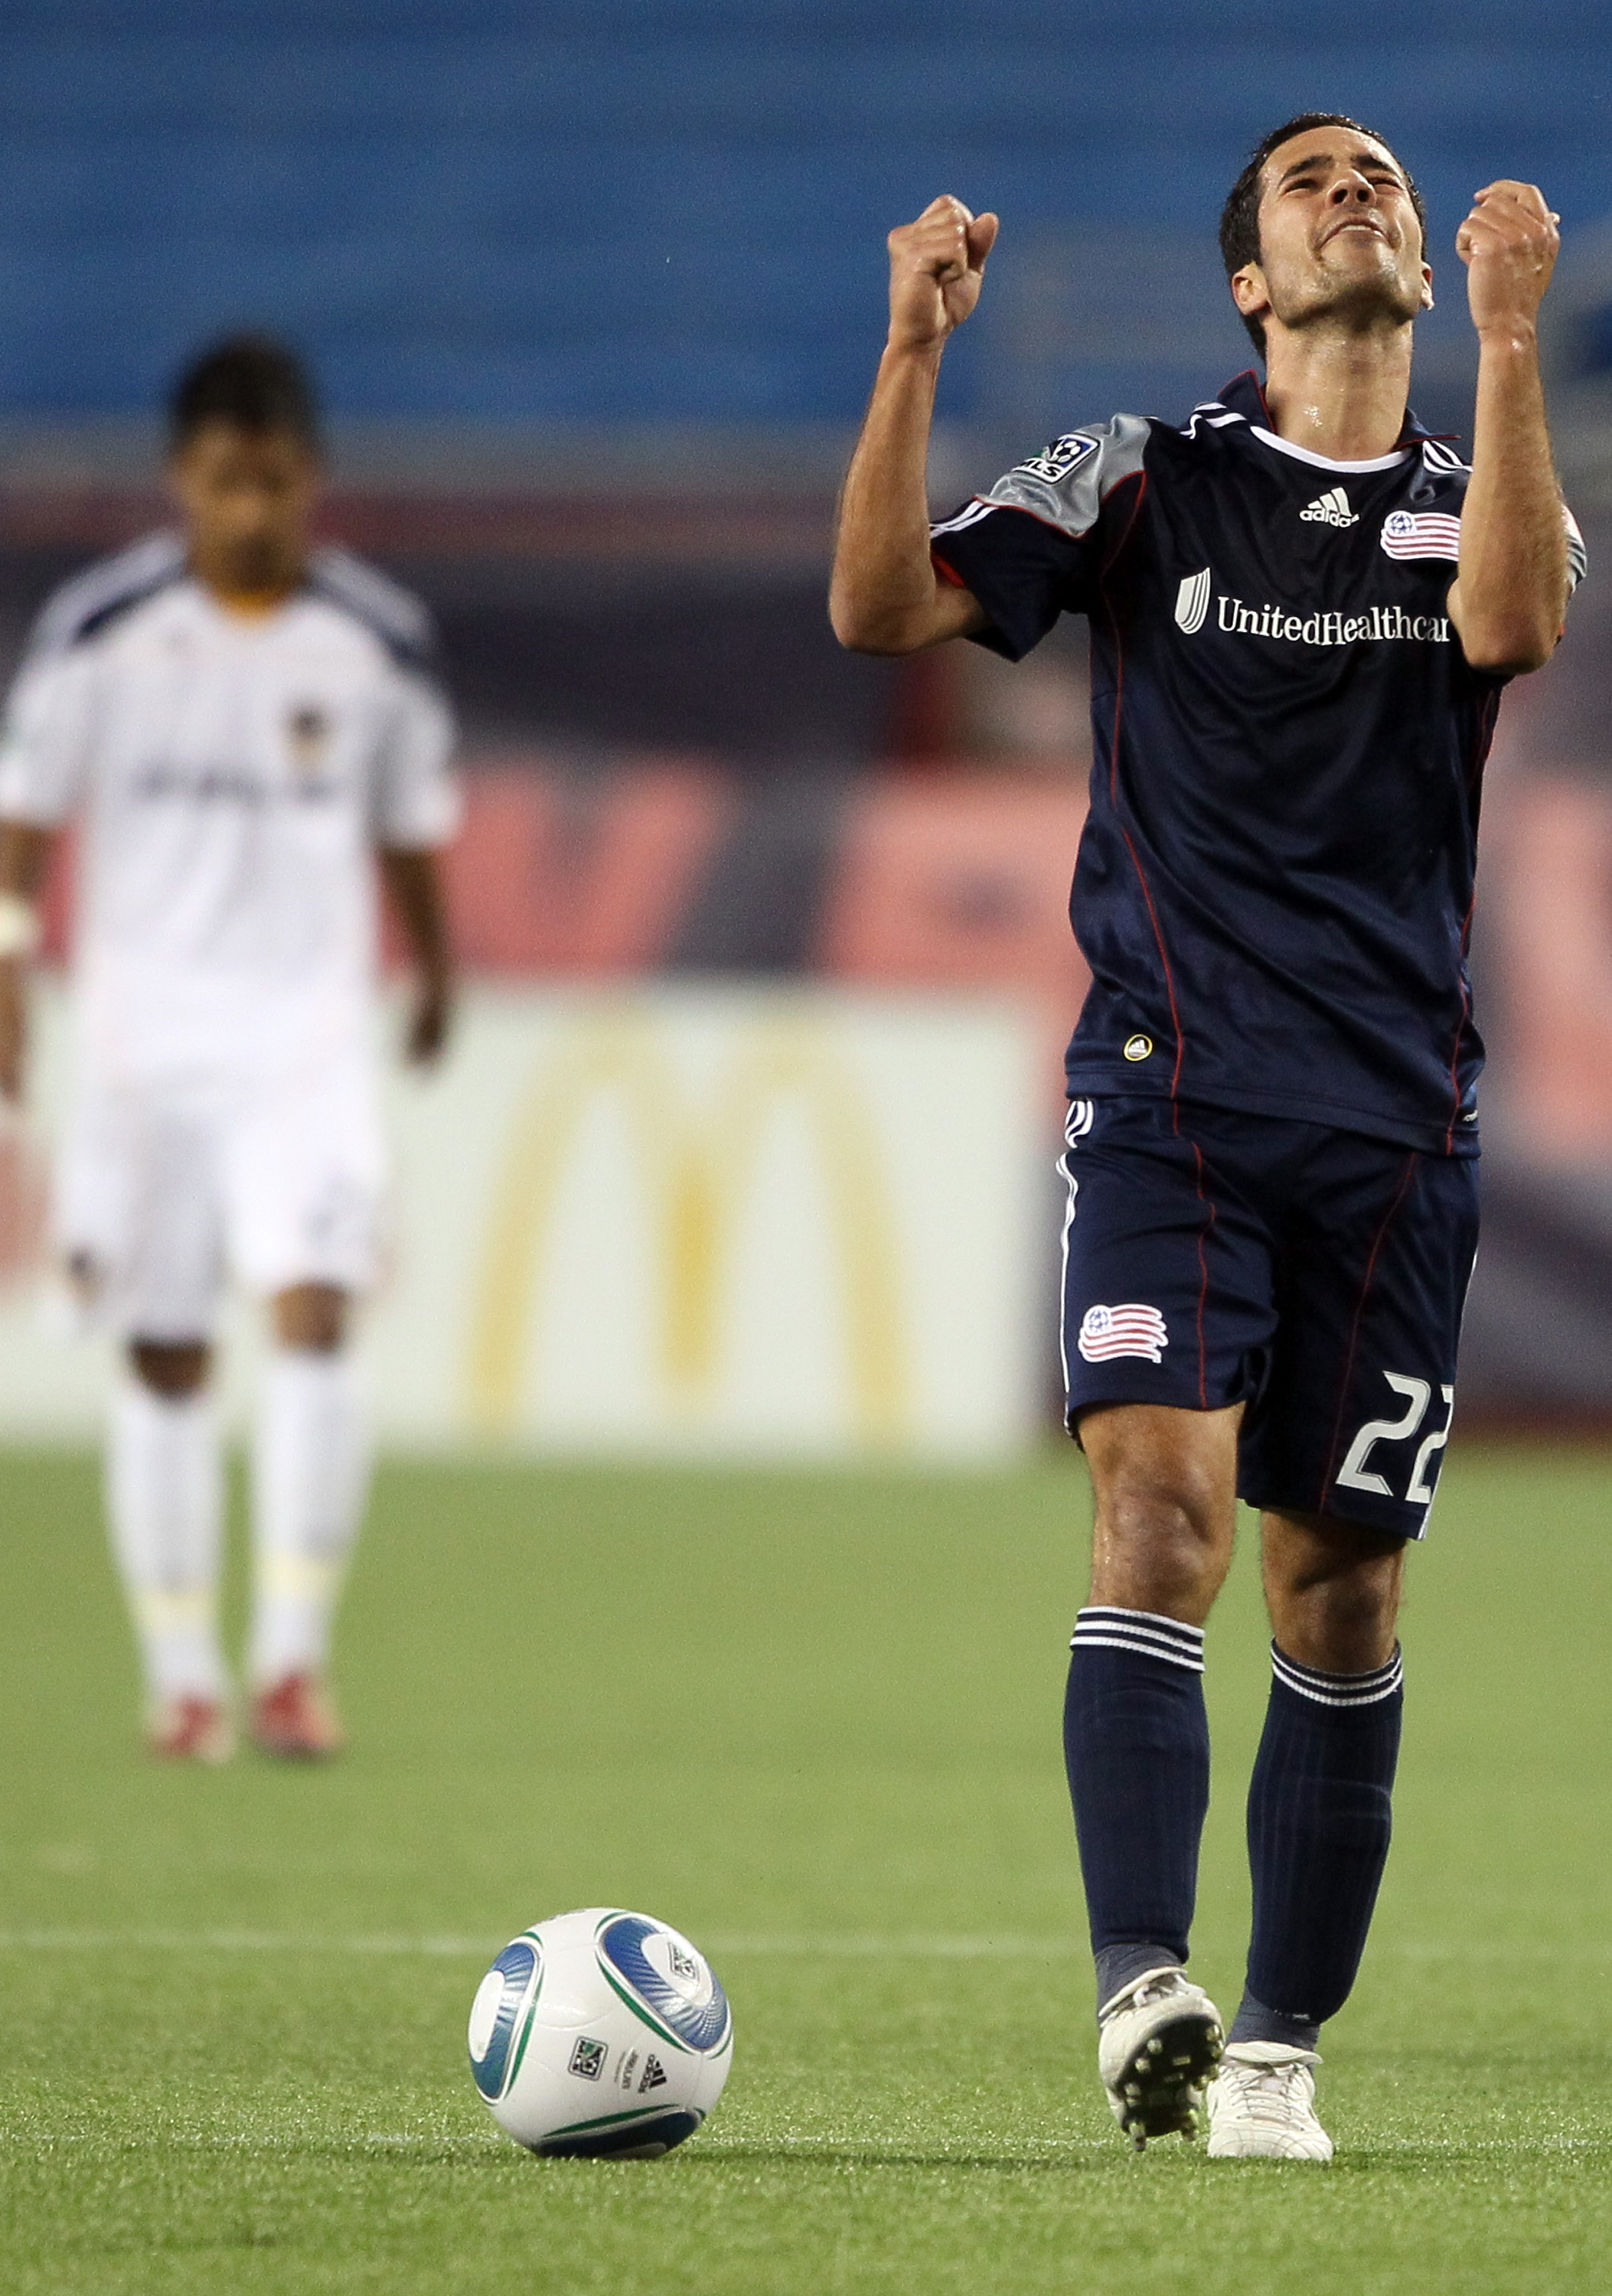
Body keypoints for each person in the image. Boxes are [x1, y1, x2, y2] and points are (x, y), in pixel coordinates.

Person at [830, 115, 1581, 2158]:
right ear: (1245, 279)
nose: (1356, 189)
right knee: (1150, 1520)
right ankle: (1136, 1983)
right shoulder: (1140, 476)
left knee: (1333, 1595)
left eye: (1380, 179)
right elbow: (881, 608)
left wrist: (1511, 355)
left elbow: (1512, 628)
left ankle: (1270, 2050)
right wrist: (908, 352)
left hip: (1392, 1128)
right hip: (1163, 1091)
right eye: (1305, 180)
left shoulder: (1473, 487)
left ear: (1421, 267)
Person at [0, 334, 458, 1763]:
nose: (249, 508)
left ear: (312, 480)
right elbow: (22, 810)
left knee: (314, 1306)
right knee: (166, 1347)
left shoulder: (374, 640)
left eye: (275, 481)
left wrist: (433, 965)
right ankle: (183, 1674)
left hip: (303, 1036)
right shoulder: (99, 628)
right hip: (143, 1044)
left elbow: (409, 827)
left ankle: (293, 1662)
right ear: (181, 479)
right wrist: (4, 970)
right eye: (223, 481)